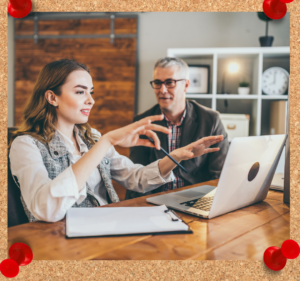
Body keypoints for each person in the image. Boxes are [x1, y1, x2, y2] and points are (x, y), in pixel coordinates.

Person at [8, 59, 224, 223]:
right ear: (52, 97)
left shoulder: (90, 137)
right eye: (80, 92)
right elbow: (46, 209)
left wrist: (176, 156)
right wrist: (107, 141)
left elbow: (136, 178)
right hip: (59, 240)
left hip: (108, 226)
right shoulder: (25, 145)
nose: (90, 100)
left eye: (91, 92)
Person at [125, 57, 229, 200]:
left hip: (196, 200)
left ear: (186, 85)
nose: (162, 90)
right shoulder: (142, 122)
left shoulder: (211, 120)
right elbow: (137, 175)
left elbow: (219, 175)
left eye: (170, 83)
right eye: (157, 83)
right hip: (156, 201)